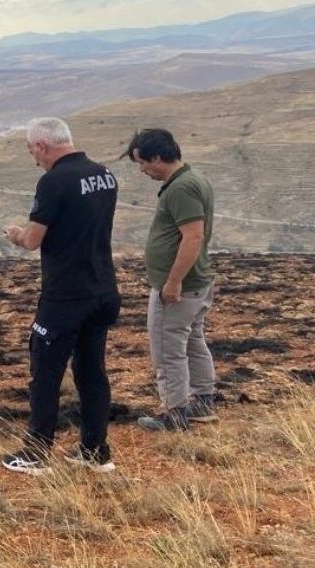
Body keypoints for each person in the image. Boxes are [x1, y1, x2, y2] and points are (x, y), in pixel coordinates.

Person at [0, 117, 121, 475]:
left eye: (31, 150)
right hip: (102, 288)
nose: (33, 158)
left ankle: (35, 454)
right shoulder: (104, 174)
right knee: (92, 371)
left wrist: (16, 234)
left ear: (41, 146)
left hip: (65, 295)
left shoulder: (53, 181)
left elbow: (32, 240)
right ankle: (95, 451)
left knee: (46, 373)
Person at [125, 129, 217, 432]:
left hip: (181, 287)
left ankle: (174, 414)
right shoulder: (192, 178)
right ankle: (203, 402)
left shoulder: (181, 188)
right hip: (196, 282)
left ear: (156, 157)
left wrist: (173, 282)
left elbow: (193, 237)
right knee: (193, 341)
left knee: (167, 350)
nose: (142, 170)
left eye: (142, 163)